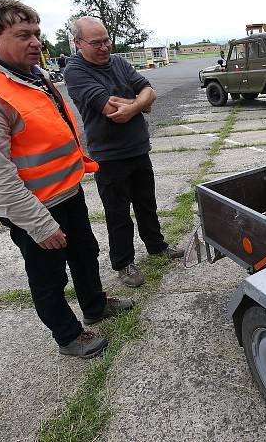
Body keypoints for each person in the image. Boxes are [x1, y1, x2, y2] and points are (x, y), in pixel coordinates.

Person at [0, 0, 132, 359]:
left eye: (38, 34)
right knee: (48, 276)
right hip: (33, 206)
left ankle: (94, 304)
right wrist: (39, 225)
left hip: (65, 192)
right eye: (23, 35)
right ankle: (68, 335)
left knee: (85, 252)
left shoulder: (34, 75)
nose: (36, 43)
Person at [64, 16, 183, 288]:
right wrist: (140, 103)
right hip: (108, 156)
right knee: (118, 214)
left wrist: (135, 103)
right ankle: (123, 263)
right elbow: (111, 110)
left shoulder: (118, 62)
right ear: (78, 43)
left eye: (106, 40)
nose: (104, 47)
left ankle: (157, 246)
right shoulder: (76, 71)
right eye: (96, 43)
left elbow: (148, 90)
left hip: (138, 147)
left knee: (147, 204)